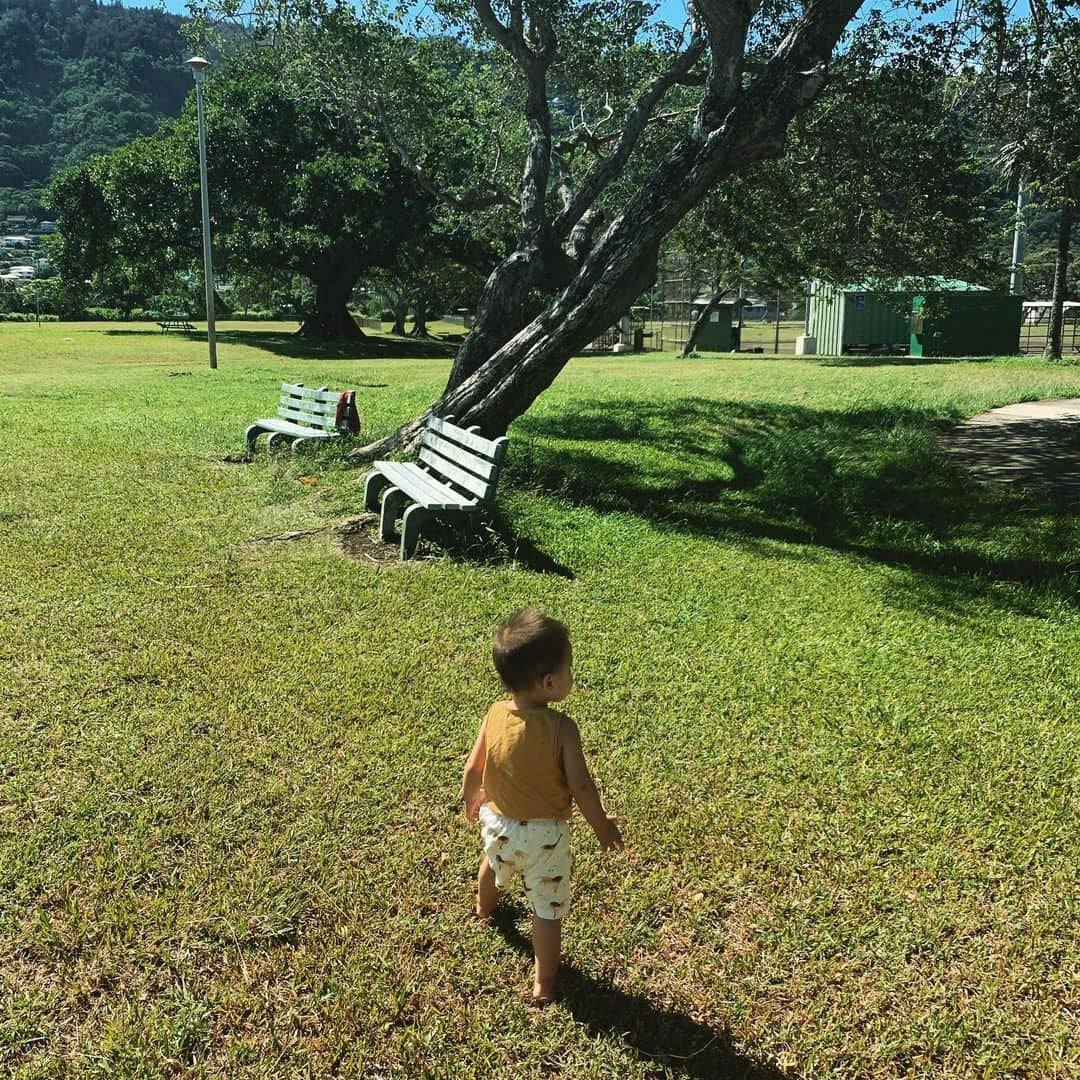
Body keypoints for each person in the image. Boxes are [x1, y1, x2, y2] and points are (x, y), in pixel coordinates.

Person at [461, 608, 624, 1004]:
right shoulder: (562, 730)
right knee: (547, 910)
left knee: (494, 864)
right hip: (545, 837)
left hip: (497, 823)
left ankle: (483, 911)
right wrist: (602, 825)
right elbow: (581, 787)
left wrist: (471, 798)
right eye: (569, 668)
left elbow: (473, 766)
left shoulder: (495, 713)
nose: (572, 675)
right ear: (549, 682)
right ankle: (544, 983)